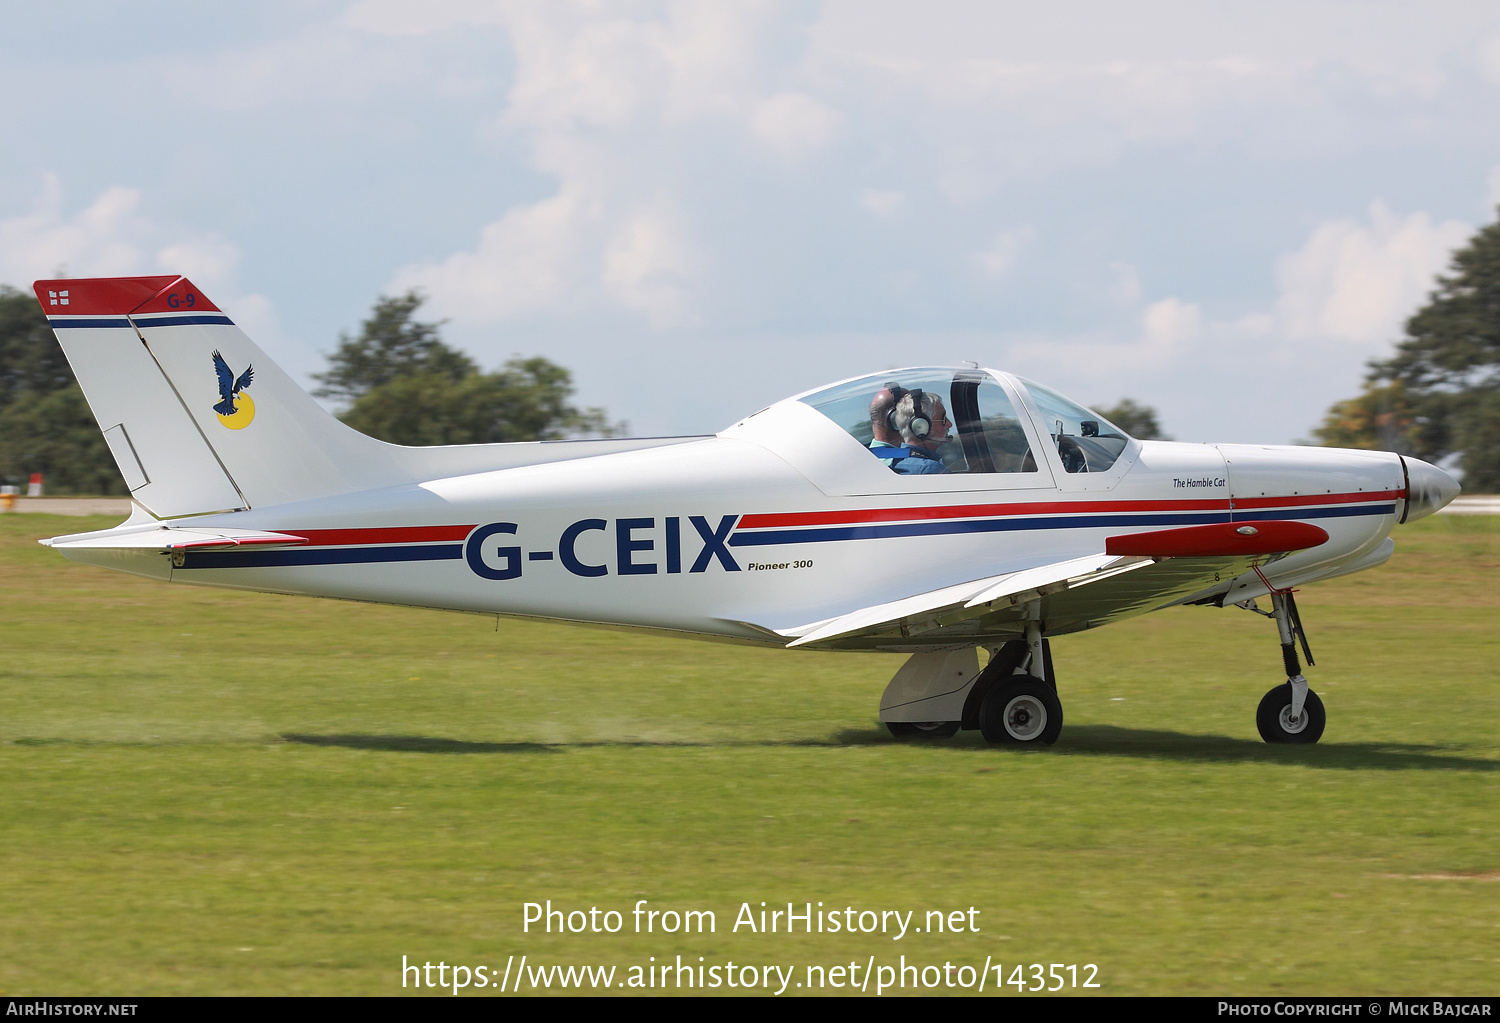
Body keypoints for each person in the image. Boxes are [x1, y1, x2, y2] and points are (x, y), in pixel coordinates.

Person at [886, 389, 951, 474]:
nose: (949, 424)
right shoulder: (930, 469)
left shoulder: (894, 462)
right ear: (920, 426)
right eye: (943, 419)